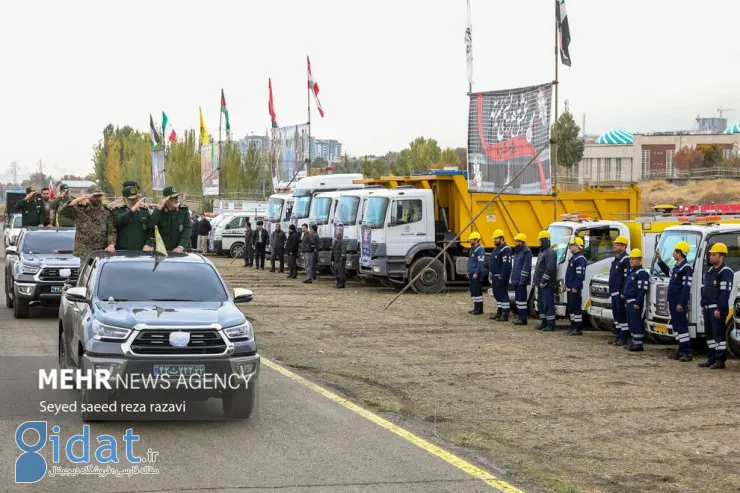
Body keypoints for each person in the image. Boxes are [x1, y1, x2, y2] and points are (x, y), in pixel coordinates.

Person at [57, 184, 116, 270]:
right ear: (88, 196)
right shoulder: (80, 209)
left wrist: (111, 244)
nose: (97, 198)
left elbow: (112, 230)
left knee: (100, 273)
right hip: (84, 249)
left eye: (99, 196)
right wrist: (78, 199)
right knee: (84, 273)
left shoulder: (107, 211)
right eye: (95, 196)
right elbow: (61, 211)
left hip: (101, 248)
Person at [656, 241, 693, 361]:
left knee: (682, 328)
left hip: (678, 303)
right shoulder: (678, 266)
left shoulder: (686, 268)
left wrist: (681, 303)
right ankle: (680, 350)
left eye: (675, 252)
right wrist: (660, 261)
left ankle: (687, 352)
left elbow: (686, 287)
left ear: (680, 253)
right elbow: (669, 273)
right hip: (672, 301)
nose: (673, 253)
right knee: (676, 327)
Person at [698, 242, 733, 370]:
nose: (711, 257)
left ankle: (720, 360)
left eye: (714, 254)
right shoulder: (711, 270)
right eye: (711, 254)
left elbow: (725, 293)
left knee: (719, 336)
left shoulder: (725, 272)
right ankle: (711, 358)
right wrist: (703, 304)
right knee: (710, 335)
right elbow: (706, 289)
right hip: (708, 308)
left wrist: (719, 308)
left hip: (716, 309)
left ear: (721, 256)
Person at [110, 185, 153, 251]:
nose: (134, 201)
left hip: (142, 251)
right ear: (124, 199)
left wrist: (148, 244)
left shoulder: (144, 210)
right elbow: (118, 221)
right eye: (130, 199)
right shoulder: (117, 209)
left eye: (135, 198)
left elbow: (150, 230)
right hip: (123, 252)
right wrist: (133, 210)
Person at [149, 185, 191, 252]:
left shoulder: (183, 210)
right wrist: (158, 209)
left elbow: (188, 228)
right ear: (166, 199)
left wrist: (181, 246)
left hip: (179, 250)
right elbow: (151, 226)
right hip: (162, 250)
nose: (176, 199)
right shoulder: (159, 211)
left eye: (177, 197)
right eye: (173, 198)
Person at [623, 249, 650, 352]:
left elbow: (642, 289)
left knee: (636, 323)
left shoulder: (642, 273)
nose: (631, 261)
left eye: (633, 259)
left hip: (634, 301)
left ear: (639, 260)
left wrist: (638, 302)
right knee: (631, 323)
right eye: (631, 259)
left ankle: (638, 344)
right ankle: (634, 342)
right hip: (629, 300)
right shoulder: (632, 272)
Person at [608, 236, 631, 346]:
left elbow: (626, 278)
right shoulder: (617, 259)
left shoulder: (626, 259)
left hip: (619, 292)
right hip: (614, 291)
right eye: (615, 244)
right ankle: (618, 335)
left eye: (617, 245)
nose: (614, 246)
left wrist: (623, 292)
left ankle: (624, 337)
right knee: (616, 315)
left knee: (621, 315)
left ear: (623, 246)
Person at [534, 230, 556, 331]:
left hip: (546, 284)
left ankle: (550, 324)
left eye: (540, 240)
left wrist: (543, 281)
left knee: (548, 304)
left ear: (544, 240)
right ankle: (544, 322)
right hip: (540, 283)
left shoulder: (550, 252)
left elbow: (550, 268)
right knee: (541, 304)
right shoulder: (542, 252)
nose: (539, 242)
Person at [565, 237, 587, 336]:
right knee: (571, 308)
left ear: (577, 246)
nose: (570, 248)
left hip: (575, 288)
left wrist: (575, 286)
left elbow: (580, 275)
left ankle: (577, 328)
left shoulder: (580, 259)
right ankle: (573, 326)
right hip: (570, 287)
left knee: (576, 308)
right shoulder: (574, 258)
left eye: (572, 246)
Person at [489, 229, 512, 321]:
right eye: (494, 238)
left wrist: (502, 275)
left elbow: (506, 264)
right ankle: (499, 312)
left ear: (502, 238)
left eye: (496, 238)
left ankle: (505, 313)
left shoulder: (506, 249)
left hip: (501, 276)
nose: (494, 240)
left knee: (502, 294)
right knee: (496, 294)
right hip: (495, 275)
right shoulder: (496, 249)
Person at [510, 233, 532, 325]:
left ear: (522, 242)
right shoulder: (518, 252)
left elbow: (526, 268)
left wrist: (522, 280)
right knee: (518, 300)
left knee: (522, 301)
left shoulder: (526, 252)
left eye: (516, 241)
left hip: (521, 281)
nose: (514, 242)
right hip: (516, 280)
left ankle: (523, 319)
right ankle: (520, 317)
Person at [467, 232, 485, 315]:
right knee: (473, 291)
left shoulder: (480, 249)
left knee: (477, 291)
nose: (470, 241)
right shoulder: (473, 249)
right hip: (472, 273)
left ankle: (479, 309)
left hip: (476, 274)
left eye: (471, 240)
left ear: (476, 240)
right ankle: (475, 308)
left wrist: (476, 273)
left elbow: (480, 263)